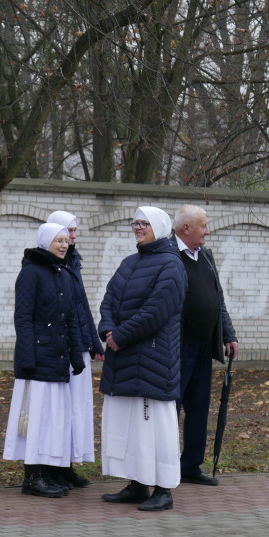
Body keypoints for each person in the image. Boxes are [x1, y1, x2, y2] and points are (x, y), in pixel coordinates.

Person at [97, 206, 186, 512]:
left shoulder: (172, 267)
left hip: (153, 361)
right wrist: (107, 329)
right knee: (130, 427)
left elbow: (155, 313)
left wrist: (119, 337)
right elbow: (108, 300)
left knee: (155, 430)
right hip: (124, 360)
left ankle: (163, 489)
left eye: (144, 223)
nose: (137, 227)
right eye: (135, 223)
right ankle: (137, 483)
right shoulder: (129, 262)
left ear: (160, 227)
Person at [3, 222, 85, 498]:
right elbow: (23, 318)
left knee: (53, 419)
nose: (64, 245)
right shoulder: (30, 273)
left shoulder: (62, 273)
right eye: (58, 240)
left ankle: (48, 473)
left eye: (66, 240)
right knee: (36, 419)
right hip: (38, 360)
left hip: (58, 359)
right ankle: (32, 478)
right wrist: (27, 358)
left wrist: (77, 357)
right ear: (45, 242)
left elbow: (70, 319)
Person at [173, 204, 239, 487]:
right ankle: (164, 467)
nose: (207, 232)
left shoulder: (207, 257)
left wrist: (228, 334)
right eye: (203, 226)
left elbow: (218, 299)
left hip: (203, 347)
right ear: (186, 228)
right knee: (170, 409)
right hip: (176, 348)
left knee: (199, 408)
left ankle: (191, 466)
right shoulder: (169, 256)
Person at [46, 210, 103, 489]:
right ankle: (53, 467)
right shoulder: (50, 265)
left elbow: (81, 306)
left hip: (77, 344)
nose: (72, 237)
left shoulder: (73, 263)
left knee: (76, 409)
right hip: (61, 347)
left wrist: (93, 342)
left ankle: (67, 465)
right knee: (59, 410)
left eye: (74, 232)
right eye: (69, 231)